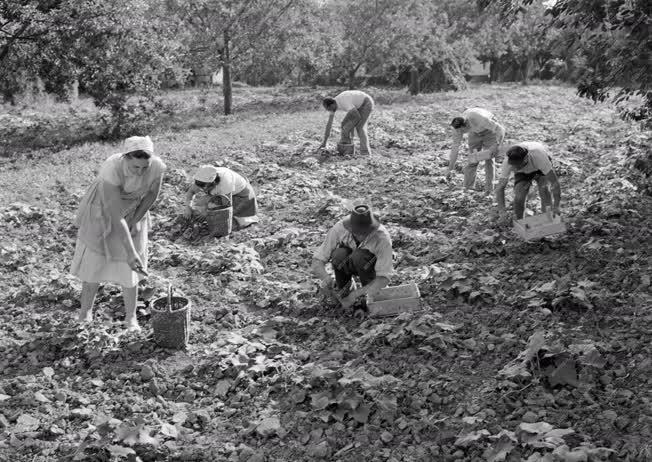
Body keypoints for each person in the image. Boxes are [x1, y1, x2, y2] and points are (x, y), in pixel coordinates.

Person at [71, 136, 166, 331]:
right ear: (126, 159)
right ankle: (85, 312)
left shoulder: (156, 166)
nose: (140, 172)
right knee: (95, 258)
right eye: (135, 167)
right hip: (103, 208)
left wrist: (135, 220)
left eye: (144, 167)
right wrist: (130, 251)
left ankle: (131, 318)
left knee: (129, 268)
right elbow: (115, 215)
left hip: (133, 208)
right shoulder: (111, 168)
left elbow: (151, 195)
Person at [311, 205, 392, 309]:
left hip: (370, 269)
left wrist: (355, 295)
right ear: (350, 228)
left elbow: (384, 278)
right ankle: (345, 291)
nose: (362, 236)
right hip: (348, 263)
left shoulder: (382, 237)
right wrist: (326, 278)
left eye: (365, 232)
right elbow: (317, 260)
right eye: (358, 232)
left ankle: (367, 296)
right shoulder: (339, 229)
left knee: (359, 256)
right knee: (338, 254)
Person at [495, 141, 561, 221]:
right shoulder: (508, 163)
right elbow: (500, 187)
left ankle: (548, 219)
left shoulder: (539, 157)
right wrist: (502, 211)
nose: (515, 168)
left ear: (525, 159)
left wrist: (556, 206)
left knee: (544, 190)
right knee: (519, 197)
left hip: (539, 168)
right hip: (522, 173)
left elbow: (554, 183)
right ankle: (520, 223)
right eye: (513, 166)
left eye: (517, 165)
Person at [447, 107, 506, 194]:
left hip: (490, 132)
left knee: (489, 159)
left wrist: (496, 145)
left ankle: (489, 190)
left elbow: (501, 129)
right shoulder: (457, 128)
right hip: (474, 134)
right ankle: (468, 188)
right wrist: (450, 168)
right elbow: (455, 147)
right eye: (459, 131)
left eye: (462, 131)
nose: (461, 133)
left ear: (466, 125)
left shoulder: (480, 119)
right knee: (472, 159)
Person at [184, 165, 258, 228]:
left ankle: (245, 218)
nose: (201, 189)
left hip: (240, 195)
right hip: (218, 193)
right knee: (200, 205)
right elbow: (191, 192)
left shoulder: (225, 183)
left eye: (204, 187)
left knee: (230, 219)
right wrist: (188, 207)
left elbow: (227, 205)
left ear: (213, 183)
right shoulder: (202, 178)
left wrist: (207, 212)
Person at [319, 90, 375, 155]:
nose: (329, 111)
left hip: (366, 103)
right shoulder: (333, 106)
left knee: (359, 127)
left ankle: (365, 153)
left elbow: (357, 117)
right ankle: (348, 150)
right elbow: (329, 124)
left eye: (329, 109)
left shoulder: (344, 101)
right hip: (357, 107)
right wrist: (324, 142)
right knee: (344, 125)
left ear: (332, 104)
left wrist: (347, 127)